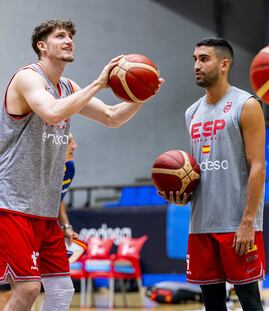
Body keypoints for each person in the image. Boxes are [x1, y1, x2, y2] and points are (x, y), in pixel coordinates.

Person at [0, 19, 162, 311]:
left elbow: (113, 117)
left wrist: (142, 95)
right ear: (42, 46)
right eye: (60, 36)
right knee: (27, 288)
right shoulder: (28, 78)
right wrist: (100, 83)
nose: (68, 41)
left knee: (62, 289)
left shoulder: (68, 87)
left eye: (71, 37)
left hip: (45, 212)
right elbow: (50, 113)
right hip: (12, 204)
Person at [162, 38, 266, 311]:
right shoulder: (191, 112)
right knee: (211, 304)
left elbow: (258, 165)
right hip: (201, 224)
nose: (196, 65)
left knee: (250, 301)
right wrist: (180, 192)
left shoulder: (247, 105)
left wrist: (248, 222)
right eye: (195, 59)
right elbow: (197, 169)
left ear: (224, 64)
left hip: (236, 223)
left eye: (204, 59)